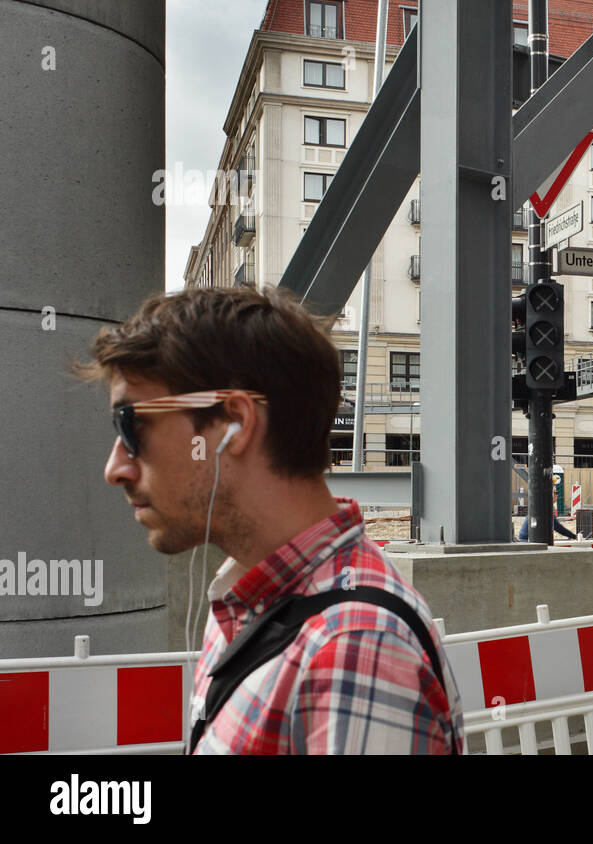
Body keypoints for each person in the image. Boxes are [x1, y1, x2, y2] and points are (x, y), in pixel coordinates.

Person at [78, 286, 462, 754]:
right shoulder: (249, 600)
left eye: (131, 425)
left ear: (233, 425)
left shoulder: (353, 652)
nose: (114, 468)